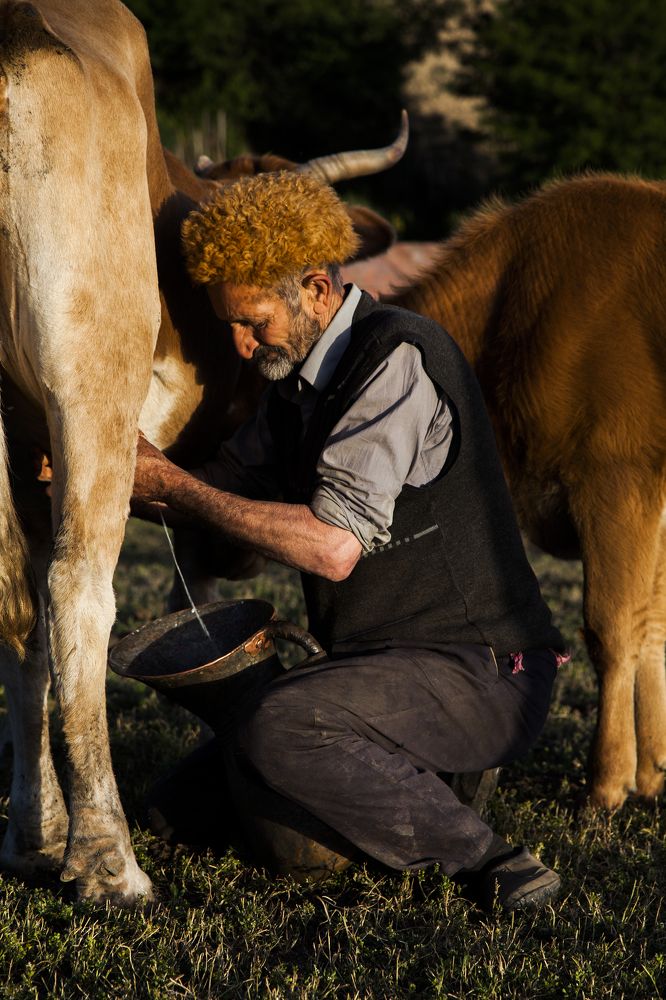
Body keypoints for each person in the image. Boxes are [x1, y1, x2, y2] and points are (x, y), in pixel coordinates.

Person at [132, 171, 566, 913]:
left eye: (254, 321)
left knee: (279, 726)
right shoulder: (297, 383)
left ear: (318, 291)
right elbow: (223, 484)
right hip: (377, 671)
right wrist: (112, 479)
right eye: (229, 324)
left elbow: (333, 546)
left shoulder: (397, 358)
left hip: (482, 675)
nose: (239, 346)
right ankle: (398, 779)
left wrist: (171, 485)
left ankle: (490, 862)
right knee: (169, 807)